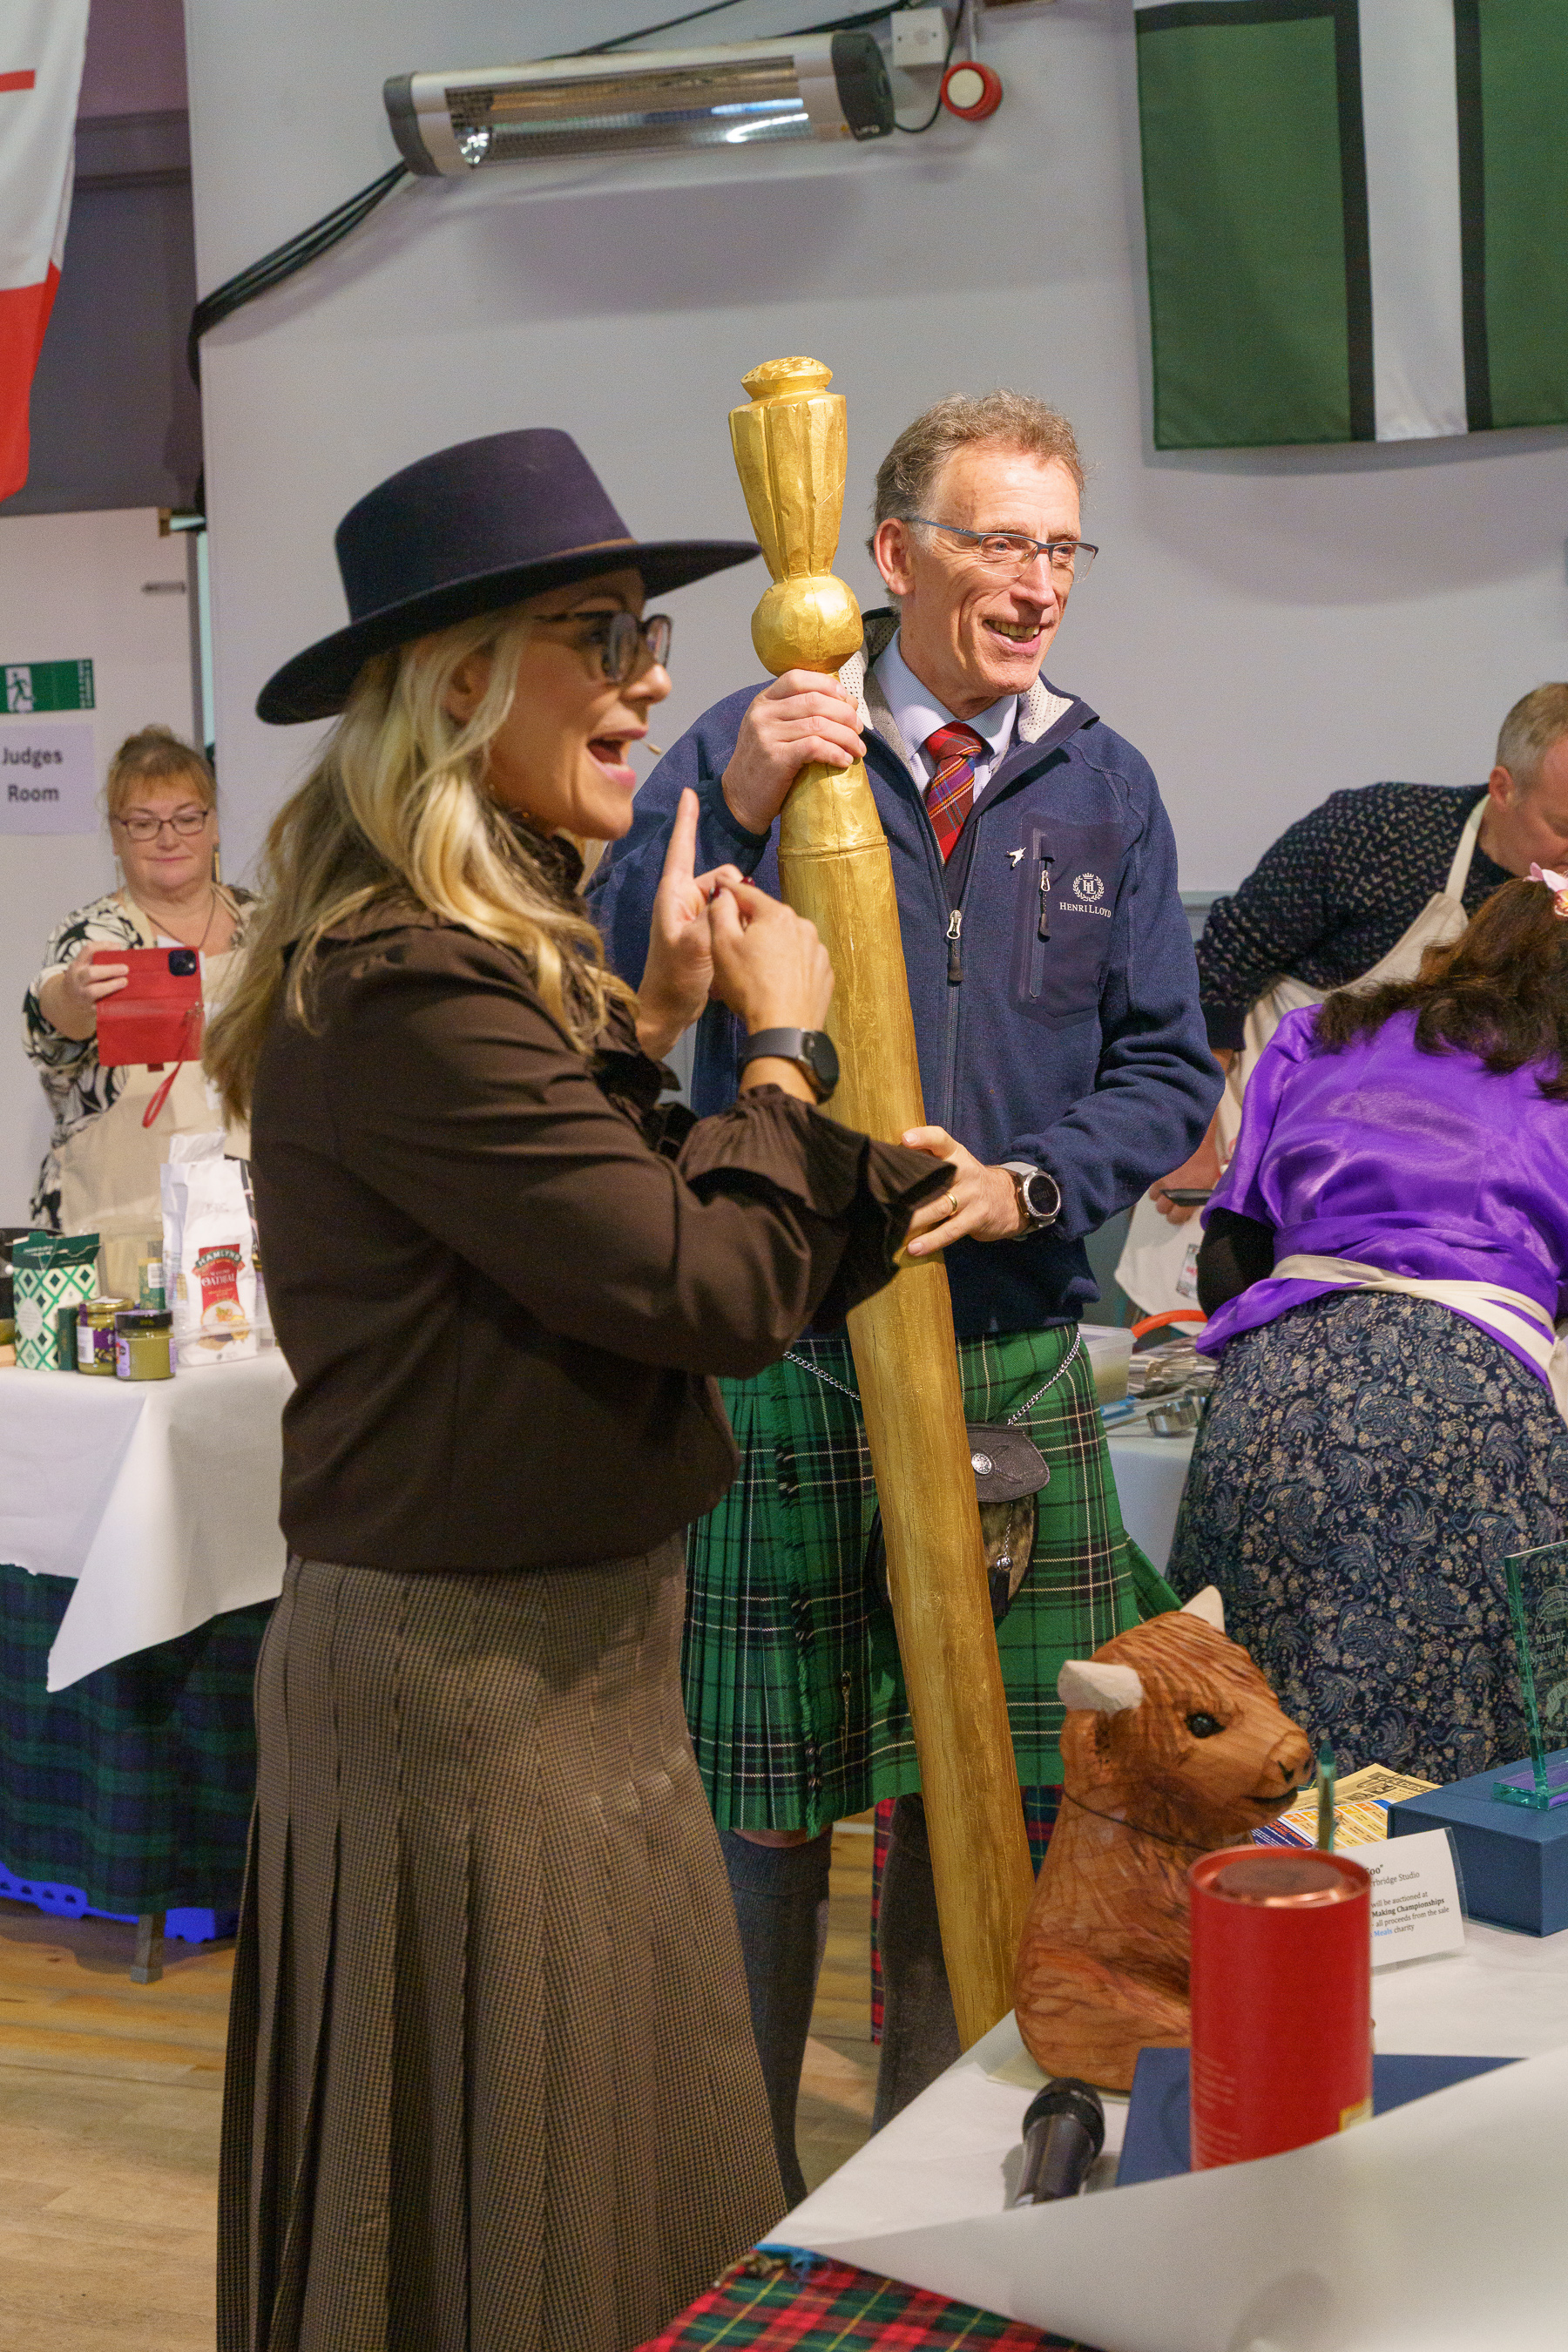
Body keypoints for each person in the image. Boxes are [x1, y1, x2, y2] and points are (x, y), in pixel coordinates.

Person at [203, 429, 948, 2352]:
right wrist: (781, 1057)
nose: (647, 679)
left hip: (573, 1669)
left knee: (623, 2181)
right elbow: (695, 1288)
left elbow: (565, 1240)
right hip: (469, 1691)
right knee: (512, 2206)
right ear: (457, 684)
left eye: (648, 633)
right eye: (596, 636)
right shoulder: (409, 983)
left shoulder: (475, 968)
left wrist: (659, 1032)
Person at [591, 389, 1220, 2190]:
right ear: (892, 556)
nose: (1037, 585)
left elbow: (1168, 1071)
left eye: (1059, 547)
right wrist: (727, 800)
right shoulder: (748, 741)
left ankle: (942, 2184)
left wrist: (1034, 1181)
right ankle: (730, 2193)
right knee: (766, 1817)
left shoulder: (1106, 783)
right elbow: (619, 972)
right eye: (998, 541)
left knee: (994, 1796)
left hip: (1012, 1343)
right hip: (785, 1348)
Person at [1167, 871, 1568, 1785]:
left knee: (1250, 1697)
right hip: (1471, 1407)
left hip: (1278, 1392)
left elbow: (1228, 1254)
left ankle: (1244, 1915)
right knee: (1459, 1704)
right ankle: (1427, 1915)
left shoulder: (1324, 1033)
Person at [1119, 682, 1568, 1314]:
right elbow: (1221, 968)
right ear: (1502, 787)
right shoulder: (1378, 835)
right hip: (1265, 1136)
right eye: (1562, 827)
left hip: (1454, 1207)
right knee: (1215, 1322)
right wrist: (1188, 1142)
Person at [22, 726, 250, 1247]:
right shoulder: (91, 934)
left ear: (213, 826)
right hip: (116, 1218)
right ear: (117, 834)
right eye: (144, 824)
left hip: (250, 1212)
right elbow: (56, 1016)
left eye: (188, 819)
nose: (169, 839)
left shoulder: (266, 923)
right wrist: (77, 996)